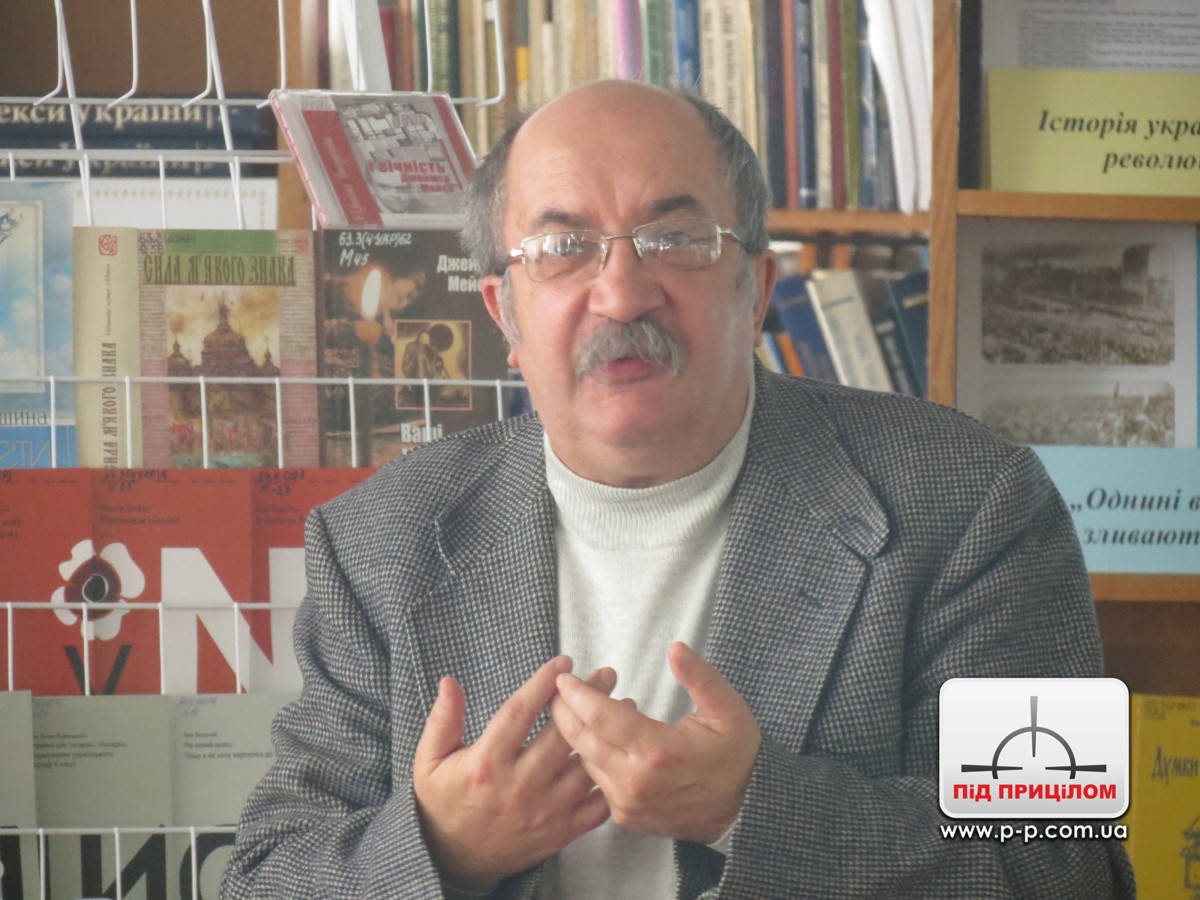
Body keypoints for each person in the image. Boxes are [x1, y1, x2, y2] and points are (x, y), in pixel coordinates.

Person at [222, 80, 1134, 898]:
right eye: (563, 247)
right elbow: (266, 879)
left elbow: (1069, 863)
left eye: (675, 240)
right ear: (504, 313)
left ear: (756, 289)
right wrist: (443, 849)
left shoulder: (975, 501)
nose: (622, 295)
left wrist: (753, 809)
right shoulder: (378, 541)